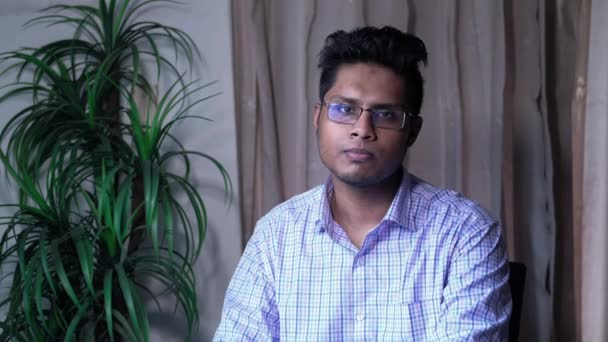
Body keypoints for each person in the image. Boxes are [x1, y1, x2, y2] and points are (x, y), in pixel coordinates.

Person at [214, 26, 511, 341]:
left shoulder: (465, 231)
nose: (362, 129)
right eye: (344, 109)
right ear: (318, 117)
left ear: (413, 131)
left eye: (385, 114)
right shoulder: (276, 234)